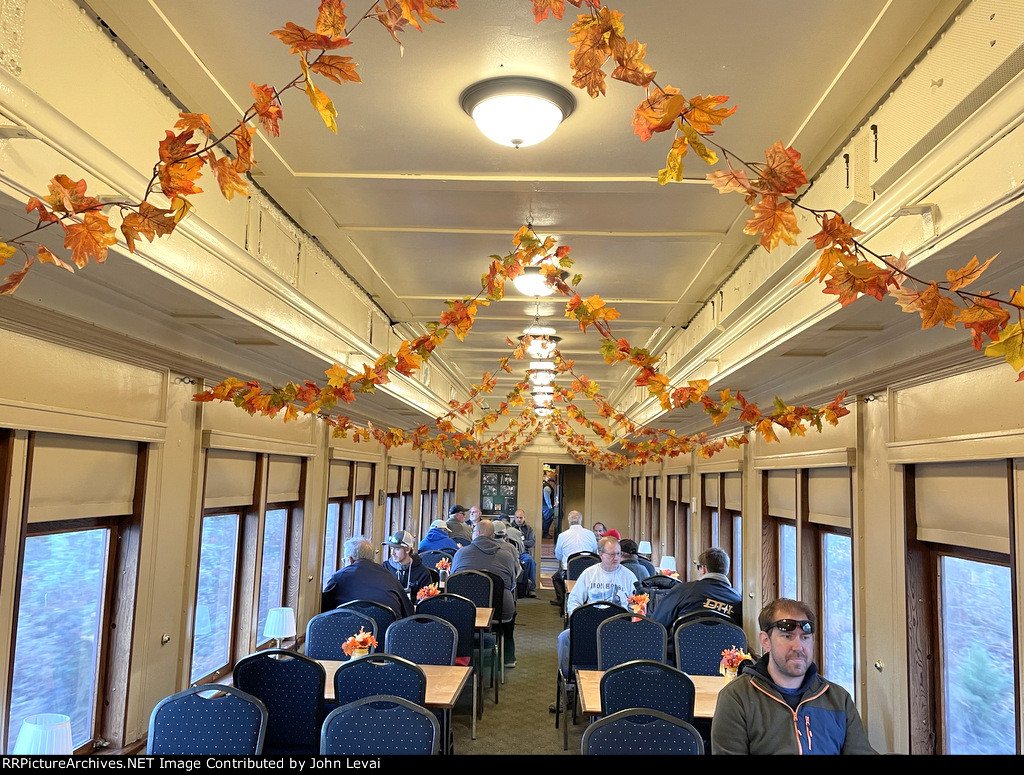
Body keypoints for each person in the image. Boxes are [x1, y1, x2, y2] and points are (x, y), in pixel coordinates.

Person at [711, 599, 875, 755]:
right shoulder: (737, 698)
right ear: (766, 641)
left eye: (805, 638)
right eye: (787, 636)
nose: (798, 647)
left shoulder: (839, 699)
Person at [555, 536, 638, 677]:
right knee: (564, 637)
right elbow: (574, 599)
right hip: (589, 625)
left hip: (619, 627)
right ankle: (567, 678)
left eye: (619, 554)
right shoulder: (589, 574)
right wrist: (578, 618)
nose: (616, 558)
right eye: (612, 554)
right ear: (601, 555)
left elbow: (638, 606)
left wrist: (633, 606)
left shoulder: (629, 577)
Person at [451, 520, 519, 668]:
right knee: (510, 614)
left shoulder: (460, 553)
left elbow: (452, 580)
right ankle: (508, 656)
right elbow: (512, 584)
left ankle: (458, 654)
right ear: (493, 535)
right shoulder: (506, 555)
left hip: (464, 611)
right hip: (499, 611)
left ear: (478, 533)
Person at [321, 536, 414, 617]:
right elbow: (408, 612)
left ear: (350, 560)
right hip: (385, 635)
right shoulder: (391, 577)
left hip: (348, 634)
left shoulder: (338, 578)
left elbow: (324, 611)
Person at [651, 547, 742, 628]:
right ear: (726, 570)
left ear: (703, 569)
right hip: (724, 647)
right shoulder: (738, 600)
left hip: (681, 646)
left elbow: (656, 624)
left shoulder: (682, 590)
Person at [551, 510, 599, 607]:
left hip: (569, 572)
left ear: (569, 521)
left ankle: (562, 600)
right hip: (589, 572)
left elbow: (558, 556)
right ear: (581, 520)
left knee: (556, 577)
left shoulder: (562, 536)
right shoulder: (590, 534)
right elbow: (595, 552)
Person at [381, 530, 433, 599]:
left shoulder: (422, 573)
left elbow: (424, 602)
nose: (392, 553)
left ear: (408, 549)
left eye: (397, 549)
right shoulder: (385, 568)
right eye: (391, 548)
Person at [512, 508, 538, 597]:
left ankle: (531, 589)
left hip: (523, 553)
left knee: (530, 560)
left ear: (524, 518)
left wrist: (521, 543)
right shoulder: (510, 528)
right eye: (517, 517)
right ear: (514, 518)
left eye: (521, 518)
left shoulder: (528, 529)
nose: (519, 519)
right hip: (511, 552)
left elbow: (532, 542)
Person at [542, 474, 557, 538]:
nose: (554, 485)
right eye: (553, 483)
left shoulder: (546, 487)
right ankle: (545, 533)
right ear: (550, 482)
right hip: (546, 507)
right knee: (547, 519)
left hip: (545, 506)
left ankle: (545, 532)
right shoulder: (547, 488)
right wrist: (550, 506)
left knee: (547, 519)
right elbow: (547, 497)